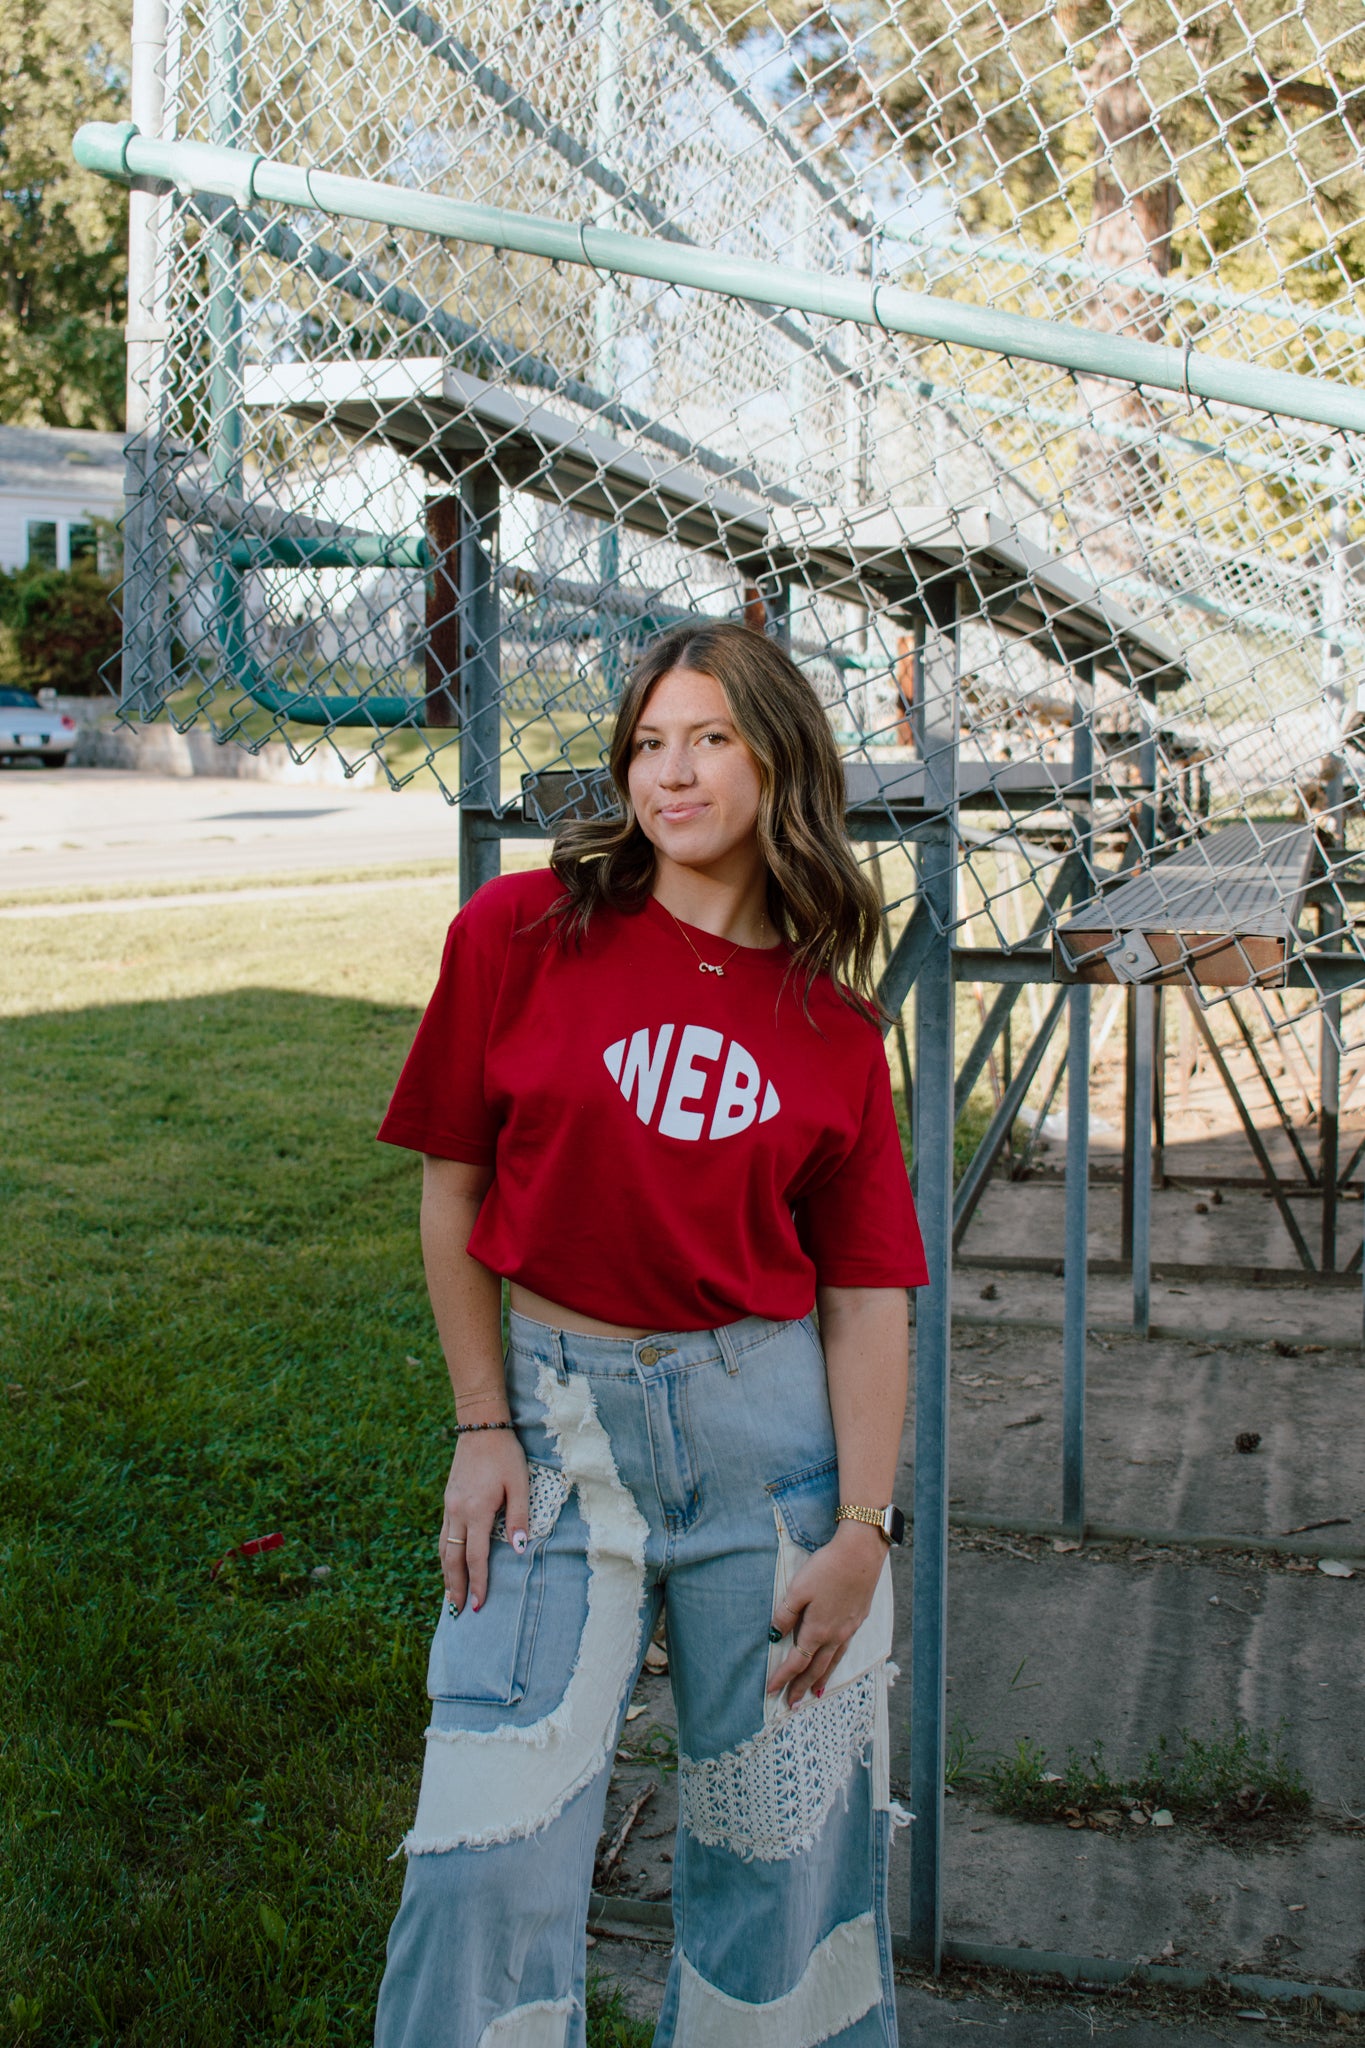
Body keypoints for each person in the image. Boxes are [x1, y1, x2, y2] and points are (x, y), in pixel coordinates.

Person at [373, 619, 927, 2048]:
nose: (667, 774)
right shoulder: (520, 936)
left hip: (770, 1457)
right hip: (556, 1438)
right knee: (486, 1859)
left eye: (709, 740)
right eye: (645, 743)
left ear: (779, 762)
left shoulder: (833, 1027)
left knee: (781, 1872)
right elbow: (454, 1191)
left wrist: (865, 1525)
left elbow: (866, 1295)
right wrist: (480, 1423)